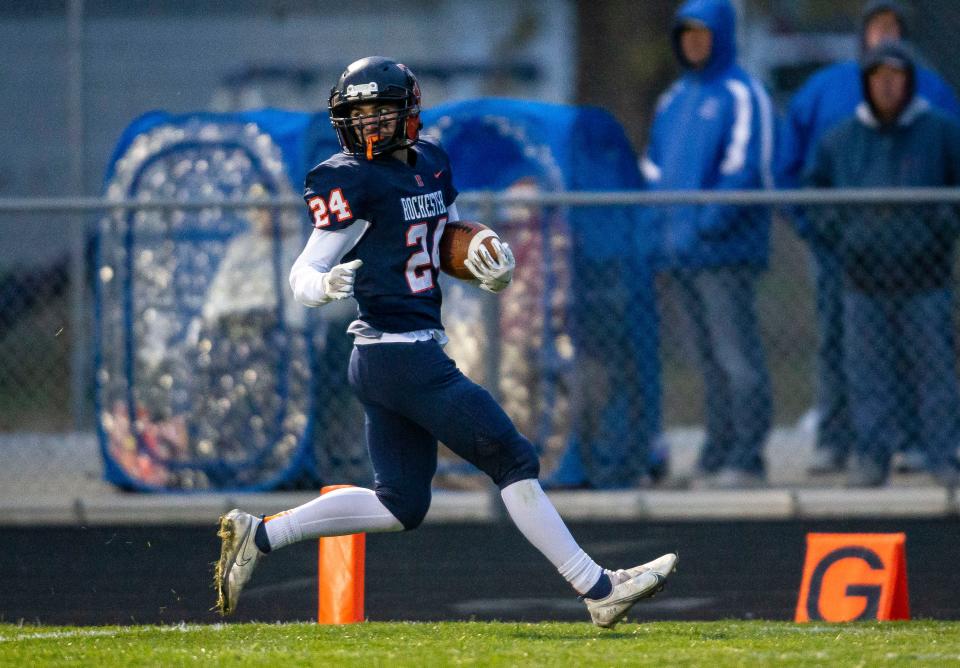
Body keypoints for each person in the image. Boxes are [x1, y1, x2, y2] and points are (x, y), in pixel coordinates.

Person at [214, 56, 677, 627]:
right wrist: (324, 285)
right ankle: (597, 587)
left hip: (394, 354)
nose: (368, 125)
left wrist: (491, 268)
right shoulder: (351, 178)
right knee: (512, 457)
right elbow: (303, 271)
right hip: (398, 354)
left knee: (400, 503)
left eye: (379, 111)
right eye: (357, 114)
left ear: (408, 111)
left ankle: (258, 536)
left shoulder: (431, 163)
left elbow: (447, 242)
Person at [778, 0, 960, 475]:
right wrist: (840, 236)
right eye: (878, 76)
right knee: (864, 374)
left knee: (934, 370)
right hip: (861, 274)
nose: (887, 84)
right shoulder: (842, 137)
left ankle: (939, 455)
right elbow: (811, 190)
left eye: (896, 75)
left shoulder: (936, 129)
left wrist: (936, 229)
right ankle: (869, 455)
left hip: (926, 275)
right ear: (866, 78)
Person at [641, 0, 774, 488]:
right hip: (679, 253)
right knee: (707, 362)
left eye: (703, 33)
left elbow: (747, 171)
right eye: (686, 34)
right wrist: (661, 233)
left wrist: (704, 226)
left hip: (724, 253)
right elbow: (653, 170)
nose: (694, 43)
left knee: (737, 357)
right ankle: (716, 455)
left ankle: (748, 457)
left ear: (721, 35)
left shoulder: (743, 94)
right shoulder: (673, 99)